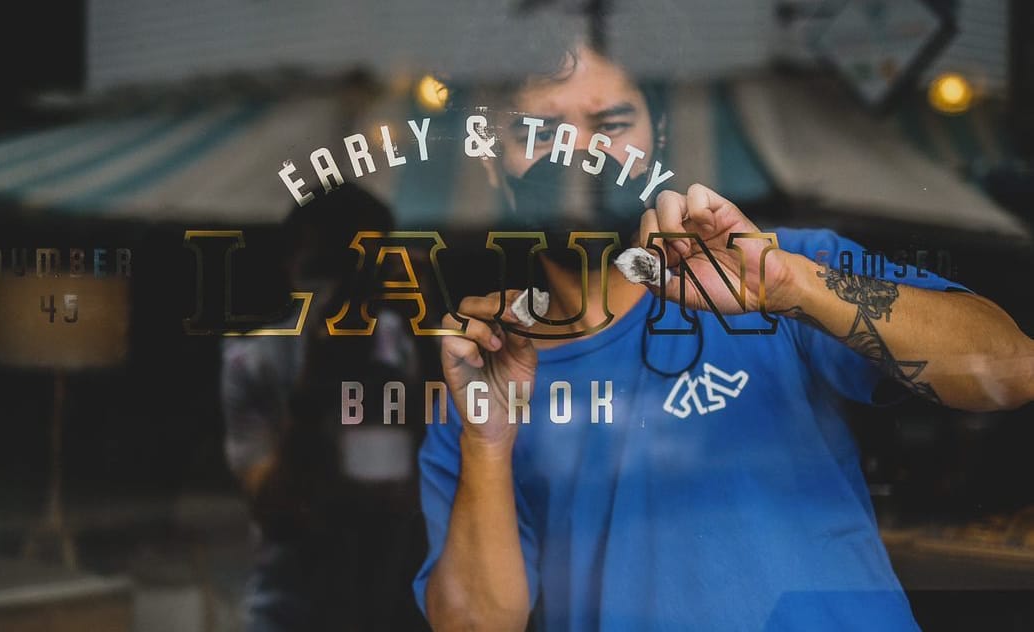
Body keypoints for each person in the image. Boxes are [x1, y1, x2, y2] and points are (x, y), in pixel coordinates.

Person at [412, 24, 1034, 632]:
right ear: (492, 161)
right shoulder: (482, 380)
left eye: (611, 124)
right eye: (540, 131)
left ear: (656, 135)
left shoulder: (779, 265)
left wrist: (793, 287)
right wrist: (487, 441)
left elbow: (1012, 368)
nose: (582, 151)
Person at [221, 183, 429, 631]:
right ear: (289, 266)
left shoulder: (401, 347)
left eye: (357, 270)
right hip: (293, 608)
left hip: (389, 603)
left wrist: (429, 329)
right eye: (326, 266)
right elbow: (275, 508)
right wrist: (314, 382)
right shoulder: (255, 360)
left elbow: (426, 481)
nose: (339, 292)